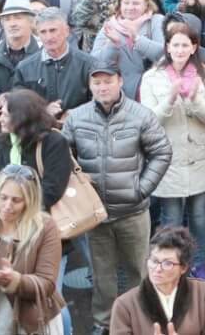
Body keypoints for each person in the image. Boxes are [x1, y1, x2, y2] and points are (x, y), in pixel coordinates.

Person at [61, 60, 173, 334]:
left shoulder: (140, 115)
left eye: (108, 81)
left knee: (140, 271)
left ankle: (142, 321)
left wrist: (141, 188)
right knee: (102, 276)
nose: (102, 87)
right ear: (89, 85)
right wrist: (78, 185)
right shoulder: (77, 117)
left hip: (133, 212)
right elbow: (63, 156)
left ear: (120, 81)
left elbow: (162, 152)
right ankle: (105, 323)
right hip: (95, 214)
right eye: (96, 82)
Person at [139, 23, 205, 280]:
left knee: (199, 216)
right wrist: (170, 99)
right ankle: (171, 264)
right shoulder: (152, 77)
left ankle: (199, 263)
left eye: (186, 45)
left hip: (198, 156)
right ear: (167, 47)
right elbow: (149, 119)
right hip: (168, 157)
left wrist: (195, 100)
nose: (181, 50)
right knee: (170, 216)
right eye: (176, 45)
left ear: (194, 47)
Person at [0, 164, 67, 334]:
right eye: (2, 197)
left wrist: (15, 280)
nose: (7, 206)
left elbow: (47, 284)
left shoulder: (45, 227)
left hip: (31, 325)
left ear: (30, 201)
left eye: (16, 200)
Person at [109, 225, 205, 334]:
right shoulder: (124, 305)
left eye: (167, 263)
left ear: (183, 268)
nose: (157, 269)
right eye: (154, 261)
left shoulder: (204, 292)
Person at [0, 89, 70, 212]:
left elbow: (52, 190)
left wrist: (19, 211)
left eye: (6, 115)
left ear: (22, 117)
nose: (0, 119)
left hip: (39, 219)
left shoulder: (53, 142)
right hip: (2, 217)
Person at [13, 8, 96, 118]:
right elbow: (18, 105)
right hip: (39, 131)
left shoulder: (88, 64)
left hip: (80, 130)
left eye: (53, 30)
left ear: (66, 31)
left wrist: (75, 115)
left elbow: (100, 100)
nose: (48, 37)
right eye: (43, 32)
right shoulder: (25, 68)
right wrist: (43, 111)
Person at [90, 0, 166, 99]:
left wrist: (137, 39)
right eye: (126, 3)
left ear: (146, 4)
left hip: (151, 89)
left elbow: (163, 54)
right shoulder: (110, 25)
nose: (130, 7)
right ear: (120, 5)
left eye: (136, 3)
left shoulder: (156, 21)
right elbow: (96, 62)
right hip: (118, 92)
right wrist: (113, 44)